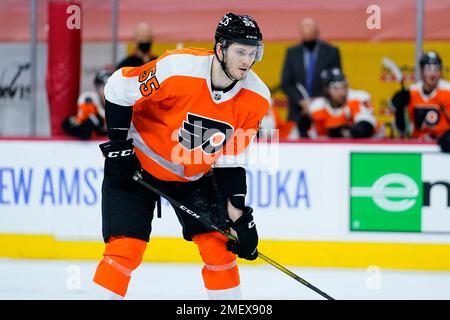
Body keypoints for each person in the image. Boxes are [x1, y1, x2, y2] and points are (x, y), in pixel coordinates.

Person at [92, 13, 270, 299]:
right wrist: (119, 146)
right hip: (138, 164)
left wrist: (240, 219)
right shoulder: (177, 69)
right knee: (124, 250)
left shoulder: (257, 98)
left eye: (252, 53)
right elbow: (117, 88)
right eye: (240, 51)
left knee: (220, 249)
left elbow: (230, 159)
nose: (246, 61)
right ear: (220, 48)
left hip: (194, 176)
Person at [281, 18, 341, 137]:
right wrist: (302, 102)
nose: (307, 33)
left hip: (323, 110)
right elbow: (286, 83)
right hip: (298, 111)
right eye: (304, 31)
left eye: (310, 30)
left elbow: (335, 81)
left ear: (317, 32)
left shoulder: (331, 51)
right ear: (300, 33)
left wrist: (315, 101)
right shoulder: (292, 52)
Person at [391, 51, 450, 152]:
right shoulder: (412, 92)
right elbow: (402, 129)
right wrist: (399, 110)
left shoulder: (447, 91)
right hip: (417, 146)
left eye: (436, 68)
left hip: (443, 147)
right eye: (428, 69)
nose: (433, 74)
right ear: (422, 71)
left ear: (440, 71)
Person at [308, 68, 377, 138]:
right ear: (326, 90)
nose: (341, 93)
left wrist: (341, 131)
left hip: (373, 143)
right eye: (336, 88)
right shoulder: (317, 107)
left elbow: (366, 128)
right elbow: (317, 138)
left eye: (344, 86)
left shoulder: (357, 98)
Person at [61, 67, 112, 139]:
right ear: (97, 87)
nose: (107, 89)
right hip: (91, 143)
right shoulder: (89, 99)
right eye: (104, 86)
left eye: (110, 86)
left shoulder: (121, 101)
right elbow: (85, 127)